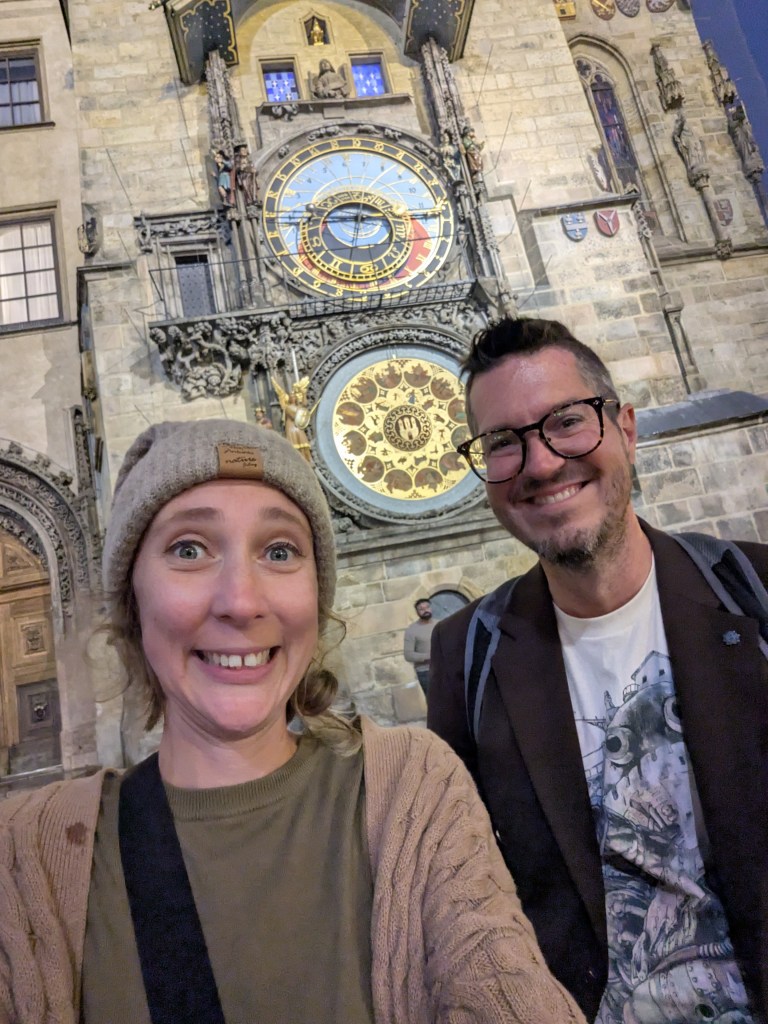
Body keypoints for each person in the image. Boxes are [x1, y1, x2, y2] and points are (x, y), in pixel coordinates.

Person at [0, 417, 586, 1024]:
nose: (242, 601)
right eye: (189, 549)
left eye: (279, 551)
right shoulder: (24, 860)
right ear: (132, 598)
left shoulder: (416, 790)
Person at [427, 316, 768, 1023]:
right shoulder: (467, 655)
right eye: (503, 443)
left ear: (627, 429)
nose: (542, 463)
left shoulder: (757, 594)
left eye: (567, 423)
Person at [403, 597, 436, 694]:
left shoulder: (440, 624)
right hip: (426, 672)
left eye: (427, 607)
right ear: (417, 612)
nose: (425, 610)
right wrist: (429, 656)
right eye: (421, 609)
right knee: (434, 702)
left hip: (445, 668)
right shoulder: (412, 630)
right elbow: (408, 655)